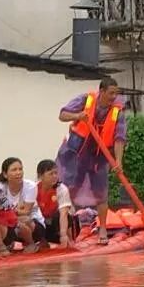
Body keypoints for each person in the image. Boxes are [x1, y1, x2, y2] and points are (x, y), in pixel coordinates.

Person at [56, 77, 127, 245]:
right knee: (70, 189)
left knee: (101, 193)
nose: (113, 97)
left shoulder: (118, 112)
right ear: (101, 91)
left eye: (115, 94)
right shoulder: (85, 100)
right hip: (77, 154)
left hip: (99, 157)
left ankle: (102, 228)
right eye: (110, 93)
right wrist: (78, 116)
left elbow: (119, 138)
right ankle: (66, 229)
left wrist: (118, 161)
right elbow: (62, 115)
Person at [0, 157, 39, 254]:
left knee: (23, 221)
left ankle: (29, 243)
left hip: (21, 222)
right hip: (4, 222)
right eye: (14, 170)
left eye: (20, 169)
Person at [34, 159, 75, 248]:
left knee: (61, 215)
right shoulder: (33, 189)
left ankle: (70, 238)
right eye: (51, 174)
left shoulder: (62, 189)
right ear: (41, 176)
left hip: (60, 225)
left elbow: (64, 214)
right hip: (44, 224)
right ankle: (41, 240)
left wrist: (63, 235)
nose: (54, 176)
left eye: (56, 173)